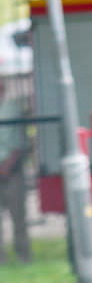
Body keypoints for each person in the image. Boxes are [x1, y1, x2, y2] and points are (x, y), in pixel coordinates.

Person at [0, 78, 31, 264]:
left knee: (18, 218)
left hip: (12, 171)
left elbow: (21, 142)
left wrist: (7, 166)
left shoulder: (13, 110)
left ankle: (23, 256)